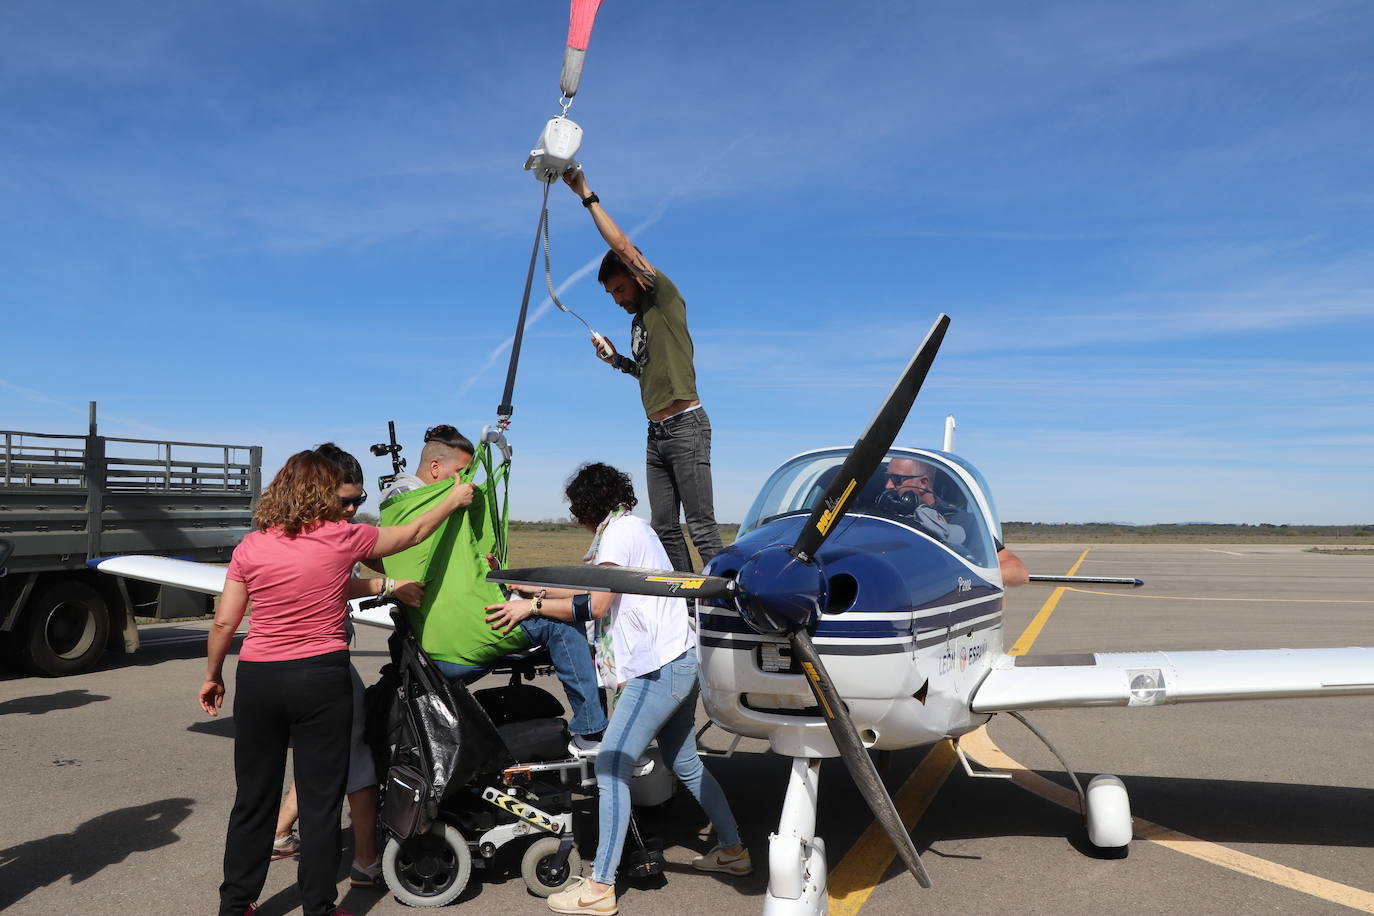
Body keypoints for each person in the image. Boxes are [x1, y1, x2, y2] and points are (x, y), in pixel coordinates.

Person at [201, 449, 473, 916]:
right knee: (320, 799)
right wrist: (453, 498)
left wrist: (213, 675)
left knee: (253, 799)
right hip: (320, 679)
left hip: (260, 678)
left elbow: (224, 624)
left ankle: (236, 904)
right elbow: (412, 533)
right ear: (321, 493)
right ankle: (319, 908)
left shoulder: (252, 546)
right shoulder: (343, 539)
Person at [485, 462, 749, 916]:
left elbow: (595, 603)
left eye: (574, 507)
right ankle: (733, 851)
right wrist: (518, 581)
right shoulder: (628, 528)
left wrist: (530, 607)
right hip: (679, 658)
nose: (573, 516)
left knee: (610, 767)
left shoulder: (618, 534)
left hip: (658, 668)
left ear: (588, 505)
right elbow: (580, 584)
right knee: (684, 762)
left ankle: (600, 886)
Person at [380, 423, 609, 752]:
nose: (466, 482)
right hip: (457, 640)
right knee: (564, 625)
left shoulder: (404, 507)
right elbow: (415, 533)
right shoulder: (410, 499)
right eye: (461, 472)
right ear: (434, 467)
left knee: (546, 610)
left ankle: (590, 723)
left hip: (445, 637)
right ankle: (592, 731)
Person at [269, 443, 424, 889]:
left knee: (323, 754)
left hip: (275, 671)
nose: (355, 509)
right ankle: (365, 862)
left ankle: (279, 833)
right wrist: (387, 582)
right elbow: (344, 572)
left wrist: (381, 574)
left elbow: (355, 567)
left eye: (360, 501)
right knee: (358, 758)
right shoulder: (332, 535)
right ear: (318, 492)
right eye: (346, 501)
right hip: (321, 666)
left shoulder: (285, 530)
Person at [562, 167, 723, 573]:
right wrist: (617, 361)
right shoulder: (639, 323)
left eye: (619, 289)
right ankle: (688, 606)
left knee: (701, 527)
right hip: (657, 435)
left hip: (687, 427)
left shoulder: (662, 299)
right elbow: (650, 372)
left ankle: (734, 608)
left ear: (636, 277)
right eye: (610, 294)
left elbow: (622, 245)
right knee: (665, 528)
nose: (616, 300)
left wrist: (585, 193)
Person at [879, 457, 1028, 586]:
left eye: (896, 479)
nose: (888, 486)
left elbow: (1018, 571)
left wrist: (957, 579)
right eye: (887, 478)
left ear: (924, 483)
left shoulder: (961, 521)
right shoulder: (878, 514)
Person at [379, 424, 474, 504]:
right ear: (435, 468)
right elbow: (418, 526)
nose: (466, 479)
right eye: (462, 472)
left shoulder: (434, 499)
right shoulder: (404, 493)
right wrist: (453, 502)